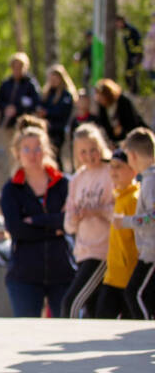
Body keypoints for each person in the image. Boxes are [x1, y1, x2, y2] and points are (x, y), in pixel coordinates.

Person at [0, 117, 75, 317]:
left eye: (37, 148)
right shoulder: (12, 189)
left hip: (63, 271)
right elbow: (16, 229)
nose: (33, 154)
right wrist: (54, 226)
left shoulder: (64, 184)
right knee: (26, 332)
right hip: (24, 274)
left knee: (66, 330)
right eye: (26, 149)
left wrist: (35, 221)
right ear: (17, 153)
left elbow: (70, 222)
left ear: (47, 150)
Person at [61, 124, 114, 318]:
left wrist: (98, 211)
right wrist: (75, 216)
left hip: (102, 252)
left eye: (93, 149)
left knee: (71, 303)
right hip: (82, 252)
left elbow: (121, 211)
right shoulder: (76, 179)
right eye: (83, 152)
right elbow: (68, 225)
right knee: (92, 311)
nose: (89, 155)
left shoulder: (111, 172)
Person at [97, 149, 140, 319]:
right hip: (113, 275)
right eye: (111, 167)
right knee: (102, 321)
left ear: (133, 170)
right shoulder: (119, 197)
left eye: (119, 167)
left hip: (128, 275)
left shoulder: (135, 198)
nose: (113, 171)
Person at [120, 127, 155, 319]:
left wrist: (126, 221)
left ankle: (145, 334)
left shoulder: (151, 182)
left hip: (152, 251)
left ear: (132, 155)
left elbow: (153, 215)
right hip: (149, 249)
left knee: (135, 293)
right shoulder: (148, 180)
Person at [0, 52, 40, 146]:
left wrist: (18, 109)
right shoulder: (6, 84)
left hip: (25, 124)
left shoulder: (30, 84)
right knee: (11, 149)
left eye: (20, 67)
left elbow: (36, 103)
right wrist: (6, 108)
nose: (17, 70)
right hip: (9, 123)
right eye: (14, 67)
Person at [38, 64, 77, 170]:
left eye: (55, 78)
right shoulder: (47, 93)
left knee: (56, 155)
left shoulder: (66, 95)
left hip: (58, 130)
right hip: (46, 129)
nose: (53, 81)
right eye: (51, 78)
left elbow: (63, 111)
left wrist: (47, 112)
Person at [94, 78, 146, 145]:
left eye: (101, 97)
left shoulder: (123, 102)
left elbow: (132, 121)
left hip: (132, 138)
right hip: (115, 140)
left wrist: (122, 129)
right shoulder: (102, 107)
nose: (99, 99)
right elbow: (104, 124)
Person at [116, 15, 143, 94]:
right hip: (130, 56)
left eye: (117, 23)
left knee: (133, 76)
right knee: (128, 76)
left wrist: (138, 56)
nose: (116, 25)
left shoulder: (131, 30)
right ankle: (133, 93)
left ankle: (135, 94)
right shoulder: (125, 31)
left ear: (121, 21)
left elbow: (138, 44)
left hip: (135, 56)